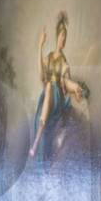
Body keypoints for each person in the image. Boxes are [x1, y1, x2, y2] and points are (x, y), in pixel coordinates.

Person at [28, 10, 89, 160]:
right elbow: (42, 74)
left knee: (50, 86)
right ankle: (37, 141)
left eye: (65, 37)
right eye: (62, 36)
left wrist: (75, 88)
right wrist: (40, 46)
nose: (64, 40)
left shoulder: (64, 62)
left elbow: (66, 82)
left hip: (58, 99)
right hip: (48, 97)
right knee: (48, 86)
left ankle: (36, 142)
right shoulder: (48, 57)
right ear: (57, 36)